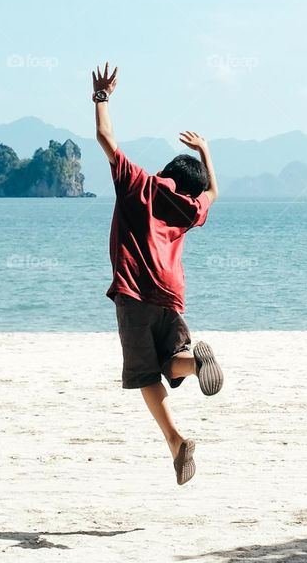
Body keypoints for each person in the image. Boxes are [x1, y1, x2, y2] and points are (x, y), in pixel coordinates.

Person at [92, 62, 223, 486]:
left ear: (168, 172)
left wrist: (101, 98)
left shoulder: (140, 184)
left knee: (145, 373)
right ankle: (194, 360)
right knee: (172, 362)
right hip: (172, 293)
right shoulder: (190, 207)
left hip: (134, 292)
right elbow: (213, 193)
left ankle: (176, 440)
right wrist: (206, 150)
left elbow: (105, 138)